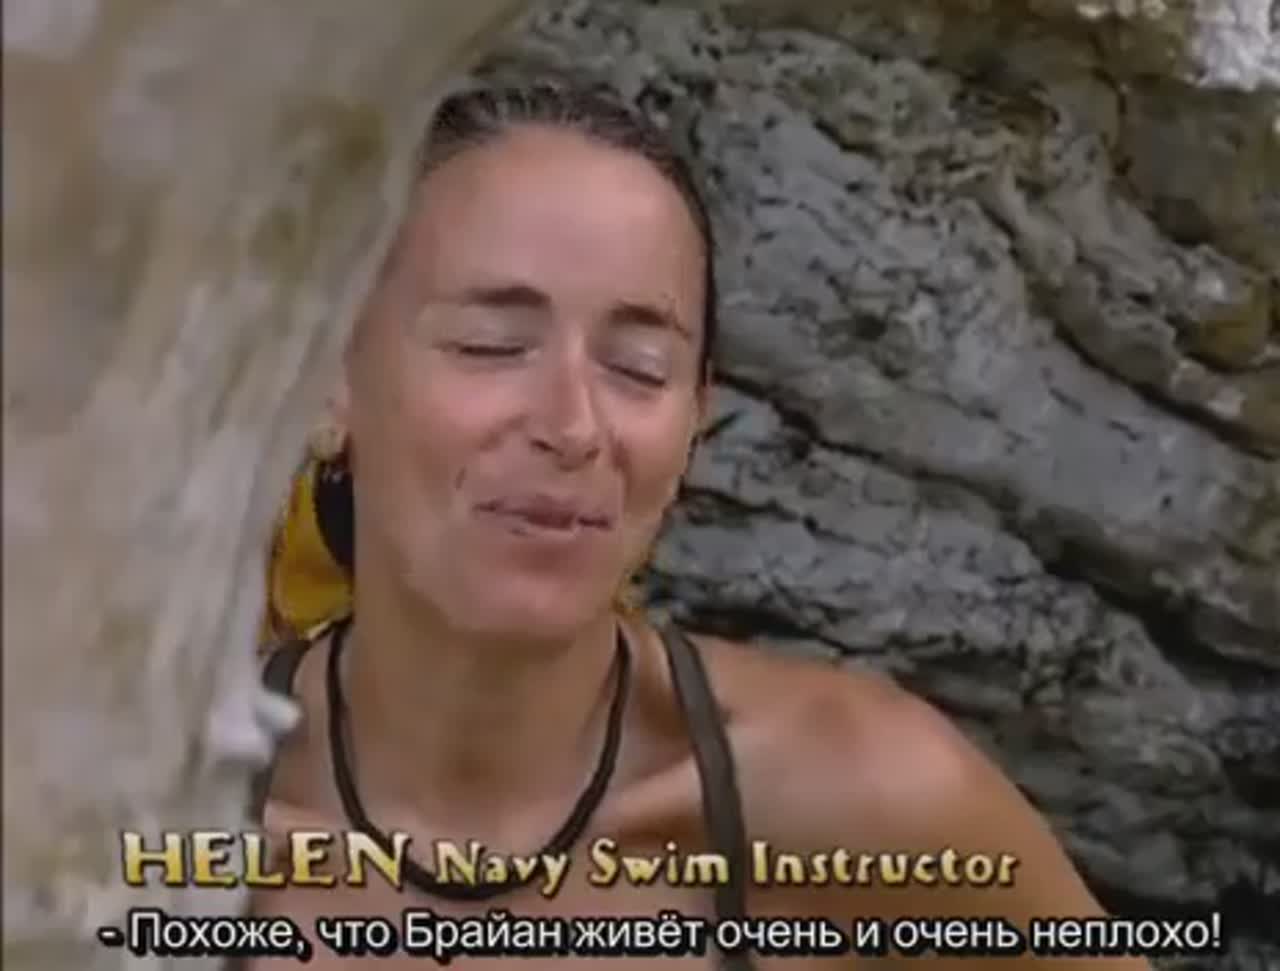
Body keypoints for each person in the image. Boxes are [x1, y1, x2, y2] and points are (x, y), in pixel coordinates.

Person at [246, 79, 1152, 970]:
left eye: (639, 367)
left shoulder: (863, 808)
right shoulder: (181, 821)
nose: (572, 425)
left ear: (694, 423)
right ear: (325, 376)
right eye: (492, 344)